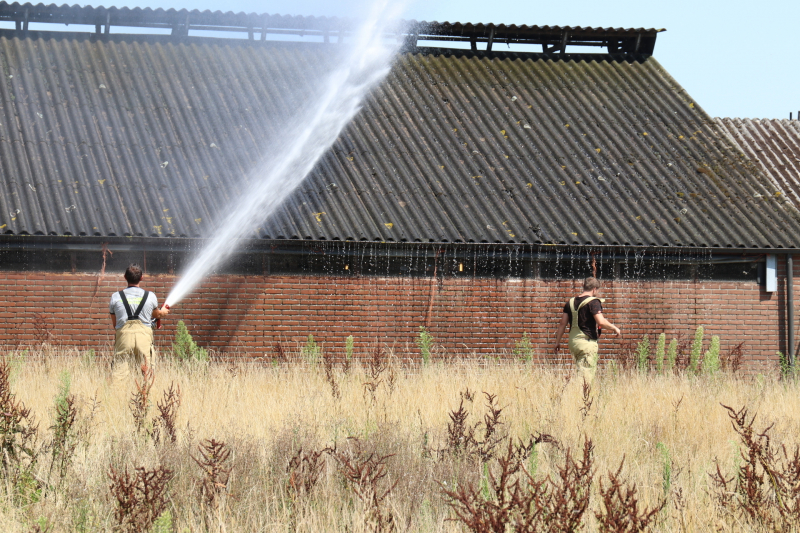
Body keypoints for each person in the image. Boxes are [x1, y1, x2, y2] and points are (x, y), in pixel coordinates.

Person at [553, 277, 620, 384]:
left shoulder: (570, 302)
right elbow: (601, 322)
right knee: (586, 376)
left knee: (580, 369)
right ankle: (581, 397)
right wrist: (614, 328)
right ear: (594, 289)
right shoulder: (593, 302)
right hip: (586, 343)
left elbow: (562, 324)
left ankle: (577, 394)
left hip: (573, 342)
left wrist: (557, 342)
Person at [109, 264, 169, 380]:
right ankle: (145, 396)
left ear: (125, 277)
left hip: (123, 337)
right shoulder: (150, 296)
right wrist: (163, 312)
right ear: (141, 278)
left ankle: (117, 396)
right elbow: (157, 314)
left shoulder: (115, 297)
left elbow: (115, 324)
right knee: (146, 374)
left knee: (119, 374)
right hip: (144, 338)